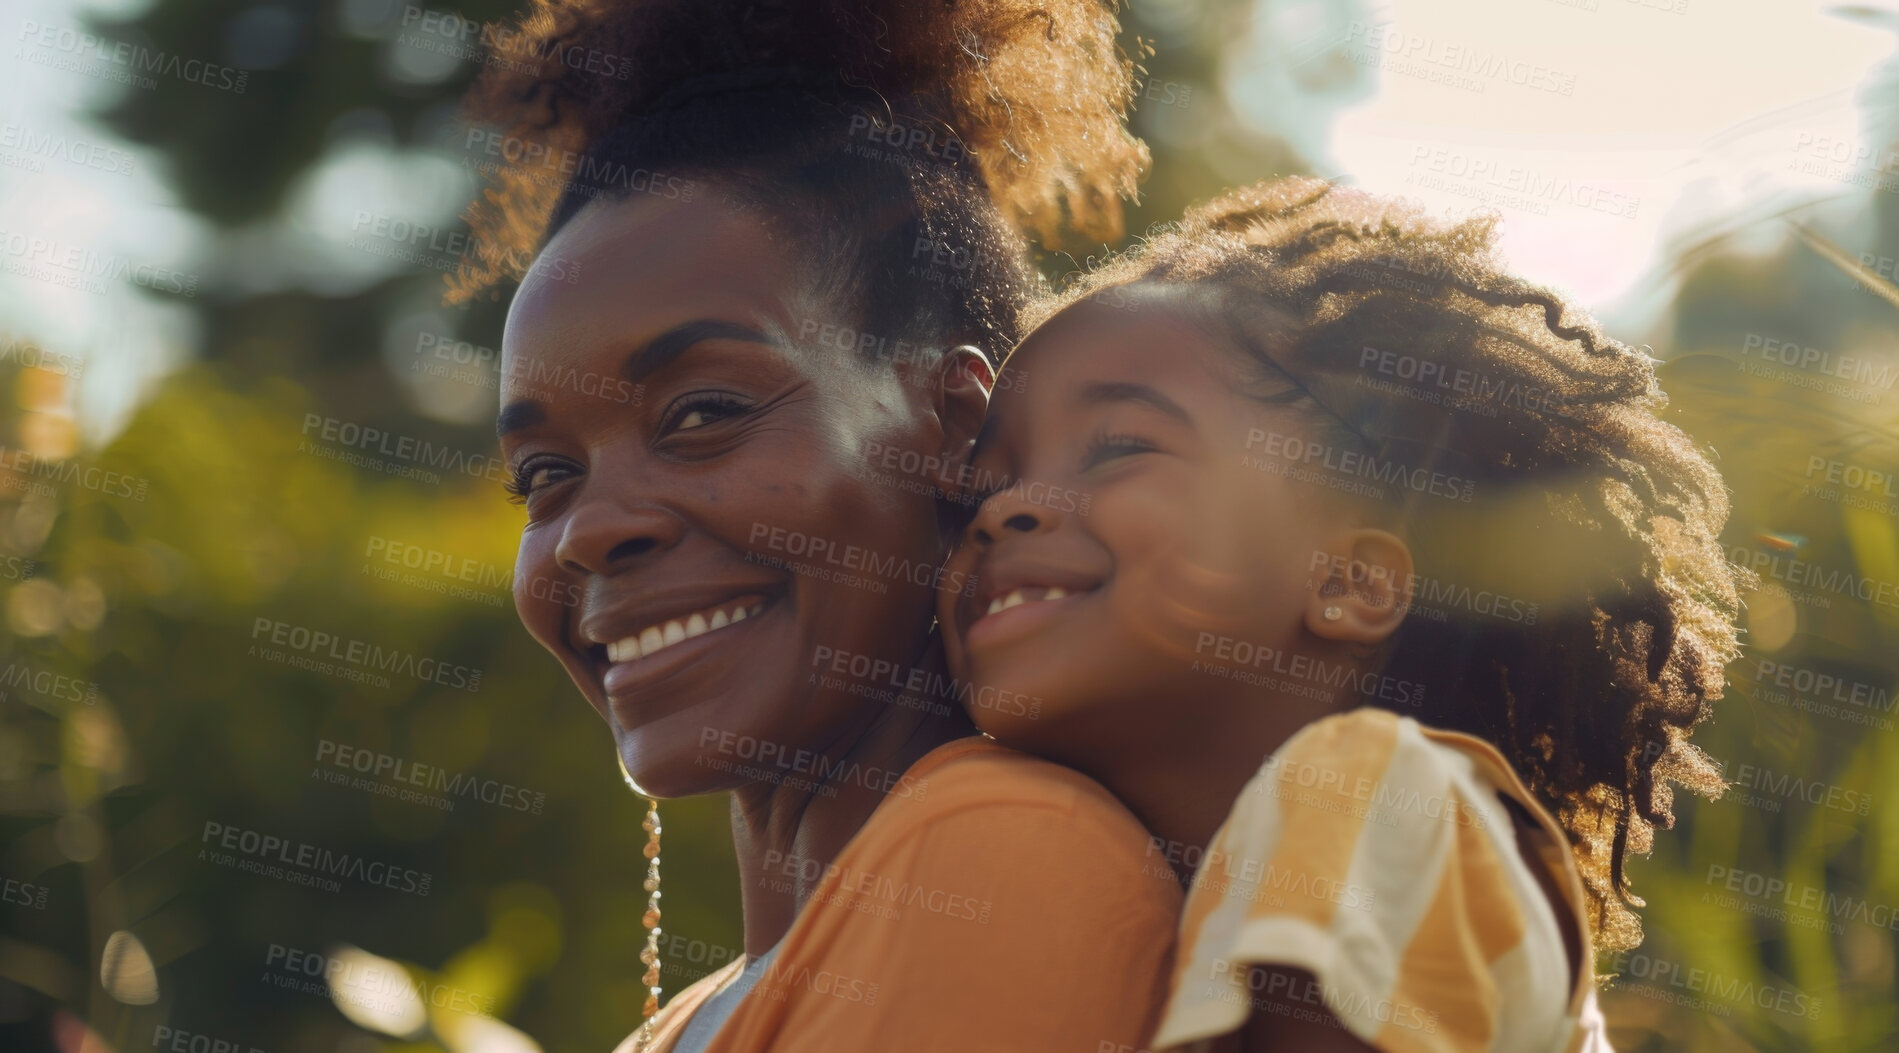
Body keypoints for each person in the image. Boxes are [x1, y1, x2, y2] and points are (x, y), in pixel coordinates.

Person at [459, 1, 1182, 1050]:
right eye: (544, 475)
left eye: (702, 413)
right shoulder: (688, 1021)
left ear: (955, 426)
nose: (585, 532)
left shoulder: (1008, 859)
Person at [936, 177, 1755, 1052]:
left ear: (1352, 581)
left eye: (1121, 446)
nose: (1005, 508)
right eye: (986, 483)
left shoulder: (1369, 793)